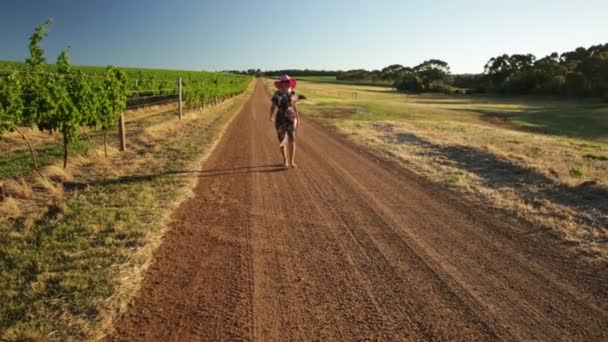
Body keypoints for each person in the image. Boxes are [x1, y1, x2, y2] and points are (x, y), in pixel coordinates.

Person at [269, 74, 300, 168]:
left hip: (291, 118)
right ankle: (285, 161)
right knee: (282, 140)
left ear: (290, 83)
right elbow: (273, 106)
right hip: (280, 118)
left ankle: (292, 161)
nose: (286, 84)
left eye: (287, 82)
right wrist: (270, 116)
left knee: (292, 140)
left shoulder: (293, 94)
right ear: (281, 83)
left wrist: (298, 119)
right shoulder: (277, 94)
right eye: (284, 82)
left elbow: (294, 106)